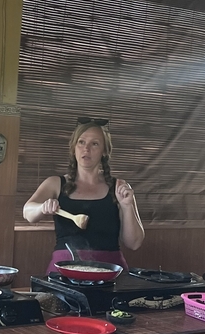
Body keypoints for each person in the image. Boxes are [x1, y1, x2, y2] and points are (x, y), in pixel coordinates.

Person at [23, 117, 144, 273]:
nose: (86, 149)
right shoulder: (55, 183)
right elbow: (28, 212)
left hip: (110, 272)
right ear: (74, 148)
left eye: (94, 144)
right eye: (81, 142)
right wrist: (42, 208)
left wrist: (127, 206)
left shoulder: (119, 187)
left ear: (104, 151)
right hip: (64, 269)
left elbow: (134, 243)